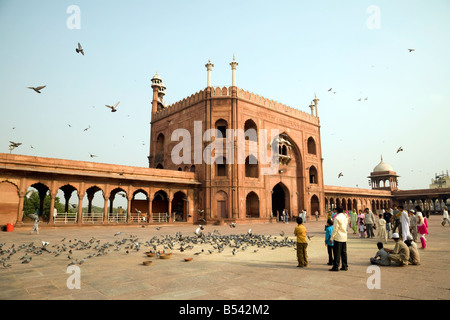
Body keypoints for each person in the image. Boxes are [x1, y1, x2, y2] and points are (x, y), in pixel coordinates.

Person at [329, 207, 348, 271]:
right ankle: (344, 266)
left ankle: (336, 266)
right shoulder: (345, 217)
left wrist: (332, 238)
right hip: (344, 236)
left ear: (336, 211)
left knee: (337, 253)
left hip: (338, 237)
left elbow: (335, 229)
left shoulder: (337, 218)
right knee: (344, 252)